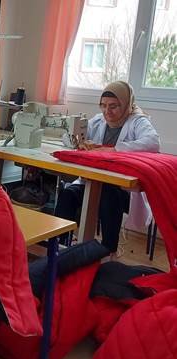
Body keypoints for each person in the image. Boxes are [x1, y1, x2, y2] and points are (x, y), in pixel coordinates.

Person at [55, 80, 160, 255]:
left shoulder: (137, 121)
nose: (107, 111)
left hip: (124, 191)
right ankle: (60, 246)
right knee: (68, 194)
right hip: (94, 183)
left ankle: (108, 251)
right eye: (103, 105)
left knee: (109, 193)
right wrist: (79, 143)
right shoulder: (98, 120)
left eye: (113, 106)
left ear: (126, 104)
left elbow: (153, 142)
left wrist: (114, 150)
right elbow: (68, 135)